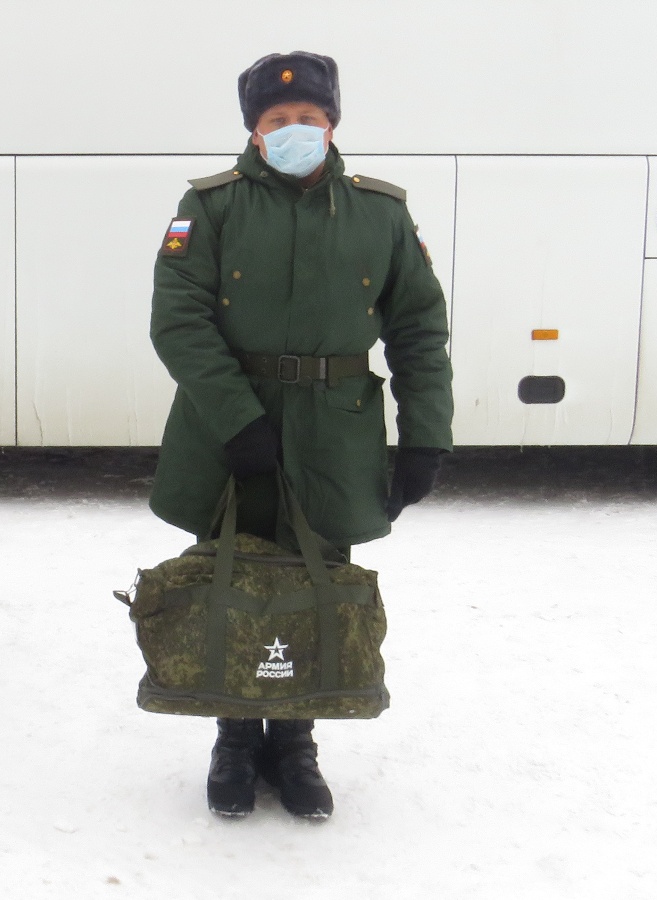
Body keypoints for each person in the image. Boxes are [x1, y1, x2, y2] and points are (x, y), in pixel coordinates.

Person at [148, 51, 454, 819]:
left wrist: (426, 438)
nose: (294, 130)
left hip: (334, 434)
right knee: (232, 576)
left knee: (318, 582)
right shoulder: (210, 206)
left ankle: (295, 743)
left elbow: (419, 329)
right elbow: (178, 321)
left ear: (332, 125)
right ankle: (233, 736)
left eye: (308, 118)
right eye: (277, 120)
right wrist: (239, 420)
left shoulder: (380, 212)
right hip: (230, 428)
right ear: (254, 132)